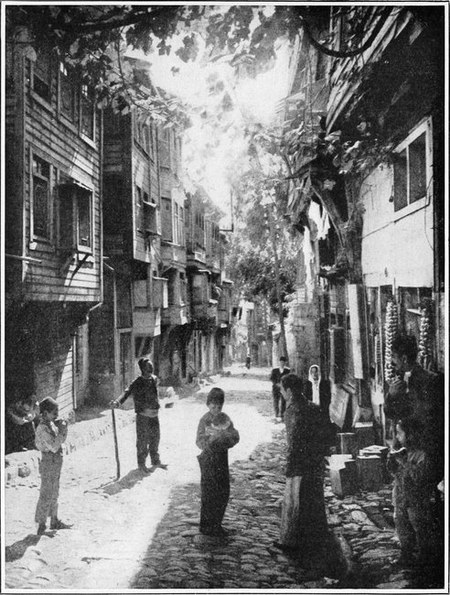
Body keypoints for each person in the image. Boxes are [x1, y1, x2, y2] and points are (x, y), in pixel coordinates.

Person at [275, 373, 336, 562]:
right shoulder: (313, 407)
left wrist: (290, 464)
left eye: (283, 390)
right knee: (313, 501)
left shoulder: (292, 411)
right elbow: (325, 436)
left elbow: (293, 442)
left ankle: (294, 542)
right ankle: (315, 540)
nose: (282, 393)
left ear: (289, 391)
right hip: (314, 463)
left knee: (296, 502)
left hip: (299, 464)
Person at [387, 419, 442, 570]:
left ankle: (424, 560)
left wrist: (404, 463)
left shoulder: (422, 455)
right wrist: (391, 462)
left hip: (416, 499)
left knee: (419, 528)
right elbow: (394, 474)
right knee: (402, 526)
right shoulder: (403, 451)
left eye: (400, 433)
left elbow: (419, 477)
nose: (397, 437)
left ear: (410, 434)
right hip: (401, 496)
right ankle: (406, 555)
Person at [196, 388, 240, 537]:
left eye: (219, 407)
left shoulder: (225, 419)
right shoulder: (204, 420)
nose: (216, 410)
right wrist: (210, 440)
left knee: (222, 492)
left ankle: (217, 524)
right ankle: (205, 526)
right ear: (208, 405)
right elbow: (198, 441)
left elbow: (235, 436)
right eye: (213, 406)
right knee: (209, 493)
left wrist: (226, 437)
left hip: (221, 460)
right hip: (208, 459)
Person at [112, 358, 166, 473]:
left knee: (155, 438)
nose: (151, 368)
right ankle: (141, 464)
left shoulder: (154, 379)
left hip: (154, 415)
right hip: (143, 416)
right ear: (143, 369)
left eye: (151, 366)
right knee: (142, 441)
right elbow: (127, 392)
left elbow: (157, 384)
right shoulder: (138, 382)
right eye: (148, 367)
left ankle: (155, 461)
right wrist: (117, 402)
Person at [34, 397, 71, 535]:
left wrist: (63, 428)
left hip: (56, 461)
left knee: (55, 491)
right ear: (45, 413)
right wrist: (62, 430)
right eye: (54, 412)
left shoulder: (51, 424)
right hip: (48, 461)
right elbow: (54, 447)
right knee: (46, 493)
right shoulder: (42, 429)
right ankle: (42, 524)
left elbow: (61, 440)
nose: (57, 415)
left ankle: (54, 520)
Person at [269, 356, 291, 421]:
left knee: (283, 401)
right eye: (281, 362)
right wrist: (276, 383)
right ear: (279, 362)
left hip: (284, 388)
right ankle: (276, 414)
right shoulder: (275, 370)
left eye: (283, 362)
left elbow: (289, 379)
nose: (282, 363)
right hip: (276, 388)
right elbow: (272, 378)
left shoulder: (287, 371)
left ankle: (282, 414)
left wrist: (284, 385)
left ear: (285, 363)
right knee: (276, 401)